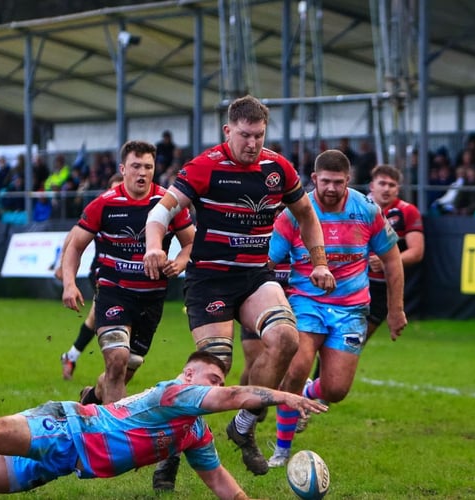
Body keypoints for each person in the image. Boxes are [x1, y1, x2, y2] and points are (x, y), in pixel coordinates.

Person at [143, 95, 335, 484]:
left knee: (286, 339)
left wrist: (320, 262)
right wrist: (152, 247)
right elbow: (160, 211)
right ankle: (171, 446)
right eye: (245, 135)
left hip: (254, 277)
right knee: (215, 366)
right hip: (209, 280)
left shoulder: (277, 168)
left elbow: (306, 215)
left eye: (259, 135)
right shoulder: (205, 167)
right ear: (228, 130)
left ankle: (243, 424)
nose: (252, 143)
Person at [0, 351, 328, 499]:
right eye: (210, 378)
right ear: (188, 376)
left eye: (218, 380)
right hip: (66, 429)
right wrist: (286, 395)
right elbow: (236, 396)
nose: (215, 386)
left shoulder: (194, 432)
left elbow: (222, 485)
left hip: (65, 462)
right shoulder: (174, 394)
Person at [264, 149, 404, 467]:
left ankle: (305, 394)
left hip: (351, 309)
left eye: (338, 182)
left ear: (348, 180)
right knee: (297, 369)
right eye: (325, 181)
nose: (331, 188)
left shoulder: (366, 209)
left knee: (336, 390)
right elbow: (267, 261)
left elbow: (393, 259)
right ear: (314, 179)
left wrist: (396, 310)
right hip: (306, 302)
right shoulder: (295, 211)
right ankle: (282, 450)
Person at [61, 141, 193, 404]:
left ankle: (91, 399)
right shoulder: (104, 204)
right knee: (117, 359)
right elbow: (75, 245)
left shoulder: (168, 204)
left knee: (121, 372)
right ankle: (117, 430)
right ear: (123, 169)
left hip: (152, 300)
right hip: (114, 293)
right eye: (135, 166)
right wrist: (69, 283)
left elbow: (191, 242)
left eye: (148, 167)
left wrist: (180, 262)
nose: (142, 173)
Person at [58, 173, 123, 380]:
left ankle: (71, 356)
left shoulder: (140, 210)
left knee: (95, 318)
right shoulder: (103, 209)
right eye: (115, 189)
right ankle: (116, 365)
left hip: (131, 278)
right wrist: (62, 264)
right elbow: (74, 235)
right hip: (102, 275)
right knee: (112, 317)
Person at [367, 164, 424, 337]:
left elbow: (416, 252)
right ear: (372, 186)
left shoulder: (407, 211)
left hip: (382, 287)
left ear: (398, 189)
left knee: (354, 341)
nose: (386, 189)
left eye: (391, 185)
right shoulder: (359, 207)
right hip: (353, 281)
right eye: (382, 183)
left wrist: (386, 261)